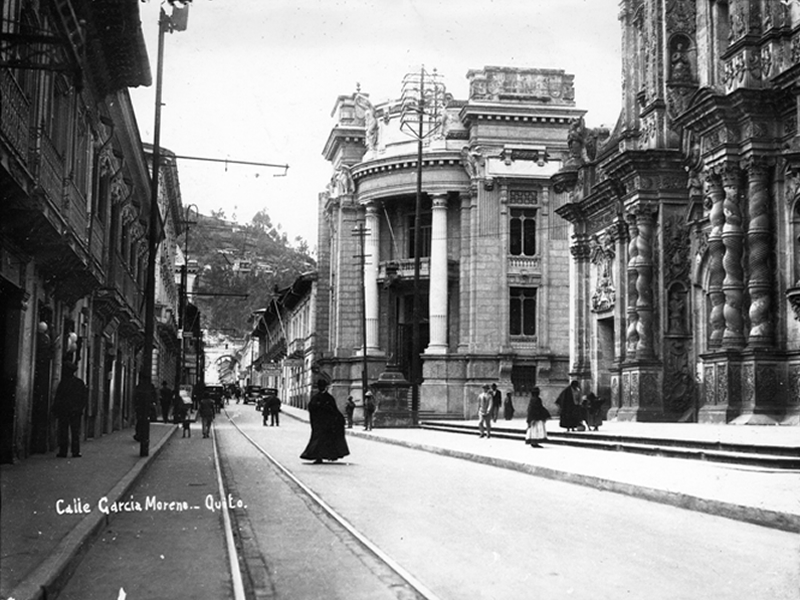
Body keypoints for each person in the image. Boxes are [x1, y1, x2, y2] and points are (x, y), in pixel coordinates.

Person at [300, 380, 350, 464]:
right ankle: (321, 456)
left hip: (324, 424)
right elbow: (332, 410)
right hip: (322, 424)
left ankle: (323, 456)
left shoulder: (319, 398)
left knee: (322, 440)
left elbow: (332, 410)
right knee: (322, 440)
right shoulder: (326, 398)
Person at [52, 362, 88, 458]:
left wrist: (55, 410)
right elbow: (84, 398)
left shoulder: (63, 383)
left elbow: (58, 397)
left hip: (64, 411)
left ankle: (63, 451)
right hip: (75, 412)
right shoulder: (79, 383)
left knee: (63, 431)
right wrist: (80, 408)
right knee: (75, 432)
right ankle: (75, 452)